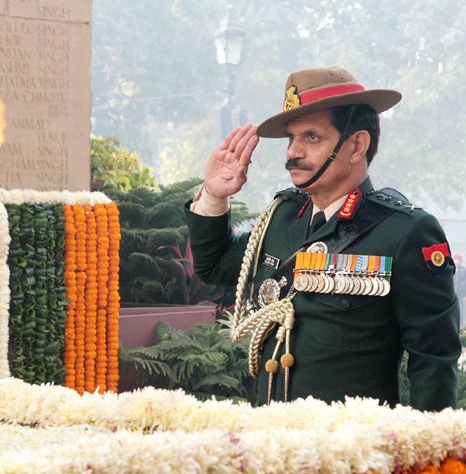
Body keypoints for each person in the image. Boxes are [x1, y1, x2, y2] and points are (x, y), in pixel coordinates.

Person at [185, 65, 460, 411]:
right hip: (268, 432)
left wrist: (426, 442)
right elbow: (213, 266)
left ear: (357, 145)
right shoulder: (282, 217)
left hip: (352, 439)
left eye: (311, 137)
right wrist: (213, 195)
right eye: (291, 138)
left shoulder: (405, 231)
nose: (293, 152)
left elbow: (433, 357)